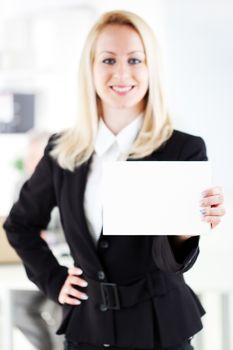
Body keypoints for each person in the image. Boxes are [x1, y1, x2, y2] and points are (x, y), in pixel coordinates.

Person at [3, 10, 225, 350]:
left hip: (159, 329)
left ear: (151, 69)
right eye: (108, 60)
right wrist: (53, 279)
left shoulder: (183, 149)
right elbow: (20, 224)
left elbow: (169, 262)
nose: (122, 73)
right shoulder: (63, 151)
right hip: (88, 330)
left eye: (135, 59)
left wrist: (186, 226)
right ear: (90, 69)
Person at [12, 130, 66, 350]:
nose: (32, 163)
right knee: (15, 305)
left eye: (37, 157)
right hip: (34, 266)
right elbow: (18, 227)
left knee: (61, 308)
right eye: (30, 157)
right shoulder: (21, 186)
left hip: (65, 265)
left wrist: (48, 237)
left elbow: (75, 231)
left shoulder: (67, 184)